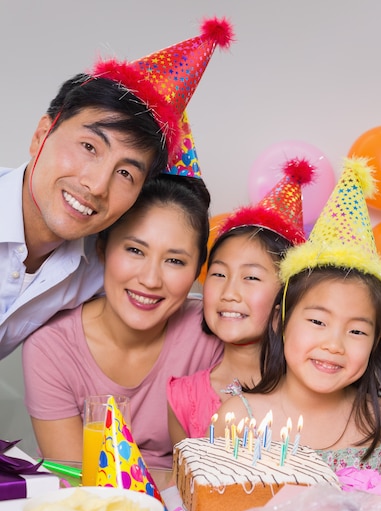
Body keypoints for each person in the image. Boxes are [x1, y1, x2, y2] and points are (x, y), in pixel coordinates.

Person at [0, 16, 234, 359]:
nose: (95, 186)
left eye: (126, 173)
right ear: (41, 135)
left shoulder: (103, 262)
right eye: (89, 147)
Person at [215, 158, 381, 486]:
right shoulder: (238, 420)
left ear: (375, 340)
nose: (334, 345)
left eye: (356, 330)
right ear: (280, 322)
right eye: (318, 322)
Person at [22, 172, 223, 469]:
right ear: (102, 249)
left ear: (196, 272)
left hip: (188, 510)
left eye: (175, 261)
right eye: (135, 250)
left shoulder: (211, 331)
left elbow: (225, 468)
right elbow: (80, 482)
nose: (150, 279)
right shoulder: (50, 348)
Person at [168, 158, 316, 446]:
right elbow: (182, 487)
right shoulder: (182, 398)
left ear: (286, 294)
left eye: (250, 278)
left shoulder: (314, 389)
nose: (229, 293)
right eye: (219, 274)